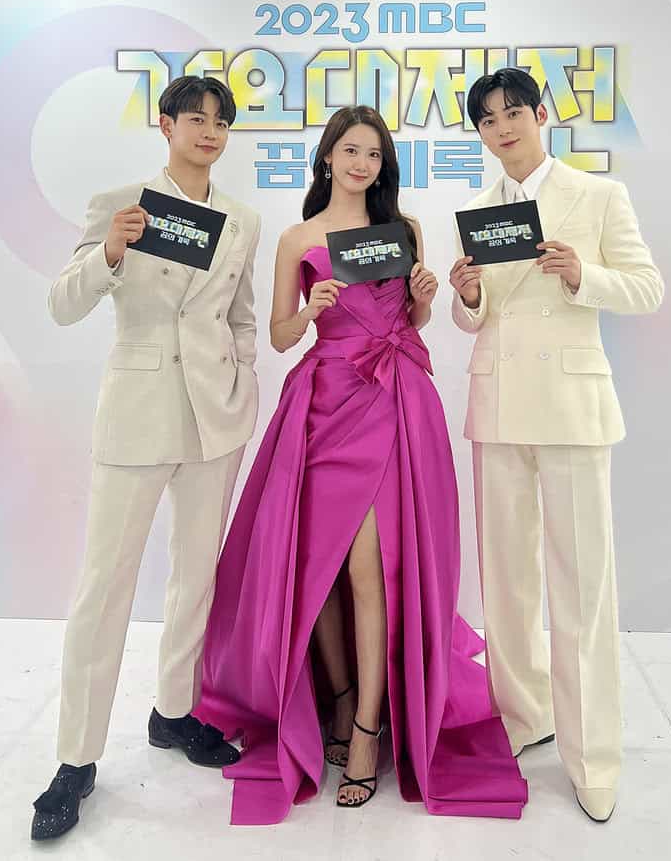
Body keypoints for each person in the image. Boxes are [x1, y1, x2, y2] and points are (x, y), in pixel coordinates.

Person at [195, 105, 527, 824]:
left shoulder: (402, 230)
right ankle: (341, 698)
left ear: (383, 165)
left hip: (392, 401)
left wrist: (424, 300)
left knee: (369, 569)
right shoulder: (297, 238)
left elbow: (410, 321)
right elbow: (278, 336)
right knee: (316, 567)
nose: (361, 164)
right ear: (327, 157)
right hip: (324, 402)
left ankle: (370, 728)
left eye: (373, 154)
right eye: (350, 150)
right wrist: (309, 307)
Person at [31, 76, 261, 841]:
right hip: (137, 414)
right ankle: (75, 758)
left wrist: (243, 381)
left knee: (196, 576)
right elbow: (62, 303)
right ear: (165, 124)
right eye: (195, 118)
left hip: (213, 419)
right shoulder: (121, 202)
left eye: (221, 121)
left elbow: (241, 317)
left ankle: (175, 710)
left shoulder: (243, 219)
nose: (209, 131)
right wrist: (110, 250)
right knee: (104, 585)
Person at [449, 68, 664, 823]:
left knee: (582, 586)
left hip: (572, 408)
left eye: (513, 112)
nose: (502, 127)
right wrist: (467, 294)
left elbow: (647, 287)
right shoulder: (479, 210)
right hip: (499, 406)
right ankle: (521, 715)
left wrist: (582, 275)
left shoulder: (598, 195)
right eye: (487, 120)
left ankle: (593, 755)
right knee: (506, 583)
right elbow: (475, 317)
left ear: (541, 115)